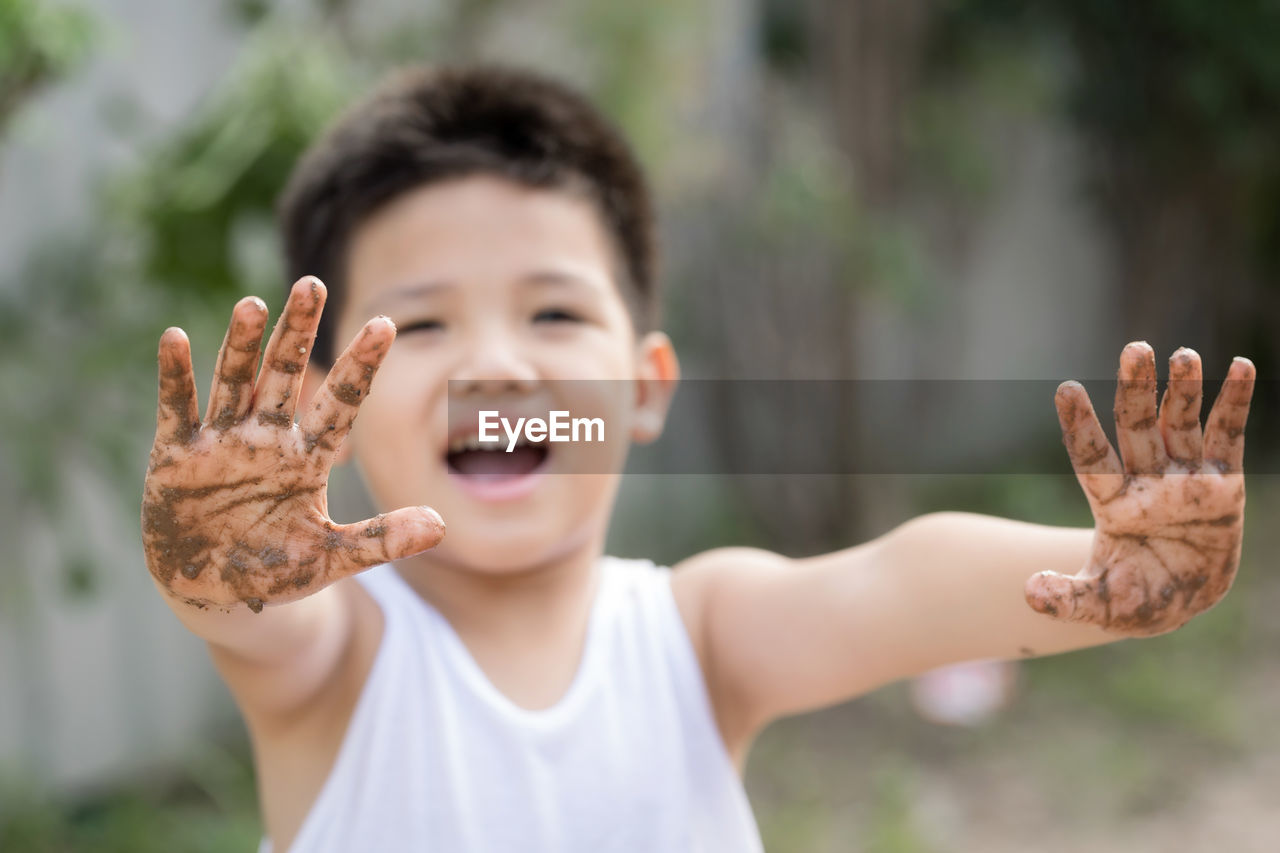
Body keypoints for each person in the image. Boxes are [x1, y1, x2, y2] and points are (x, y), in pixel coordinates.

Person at [139, 64, 1256, 853]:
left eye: (553, 315)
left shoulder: (697, 634)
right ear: (328, 398)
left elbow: (896, 583)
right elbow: (256, 620)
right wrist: (213, 564)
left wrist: (1107, 570)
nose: (491, 367)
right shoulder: (335, 659)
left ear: (644, 388)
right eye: (418, 328)